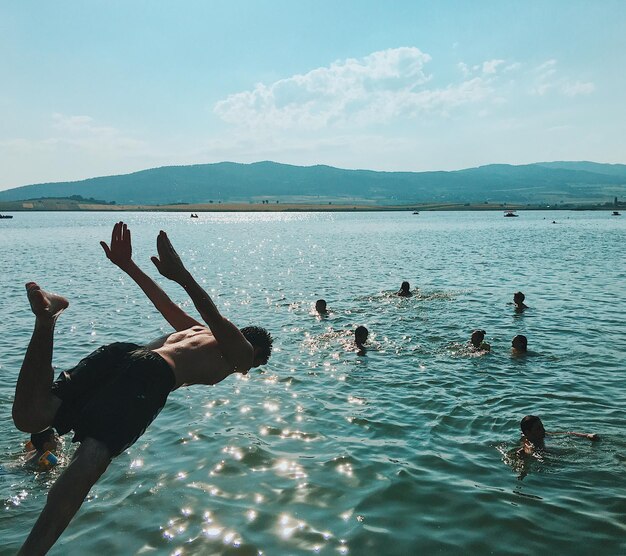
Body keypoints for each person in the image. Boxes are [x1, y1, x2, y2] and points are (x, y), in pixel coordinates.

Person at [12, 222, 273, 554]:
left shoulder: (196, 332)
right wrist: (182, 276)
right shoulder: (241, 354)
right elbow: (215, 314)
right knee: (88, 463)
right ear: (255, 353)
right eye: (256, 364)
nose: (249, 371)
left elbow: (162, 303)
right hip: (152, 375)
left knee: (32, 416)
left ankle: (47, 318)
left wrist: (128, 265)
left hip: (125, 353)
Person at [518, 415, 599, 456]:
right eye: (538, 428)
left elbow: (567, 433)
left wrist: (587, 435)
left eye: (542, 426)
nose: (543, 430)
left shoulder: (543, 434)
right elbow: (526, 450)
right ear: (528, 433)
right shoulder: (527, 444)